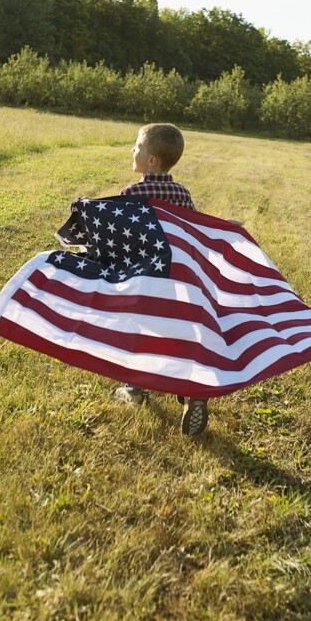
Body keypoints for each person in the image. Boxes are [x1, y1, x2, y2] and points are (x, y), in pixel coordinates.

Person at [112, 123, 209, 438]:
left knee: (140, 332)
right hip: (176, 285)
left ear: (151, 160)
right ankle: (190, 387)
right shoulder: (182, 193)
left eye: (137, 147)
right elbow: (193, 231)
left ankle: (134, 387)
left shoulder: (132, 193)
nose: (133, 150)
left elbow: (120, 240)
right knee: (176, 333)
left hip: (145, 283)